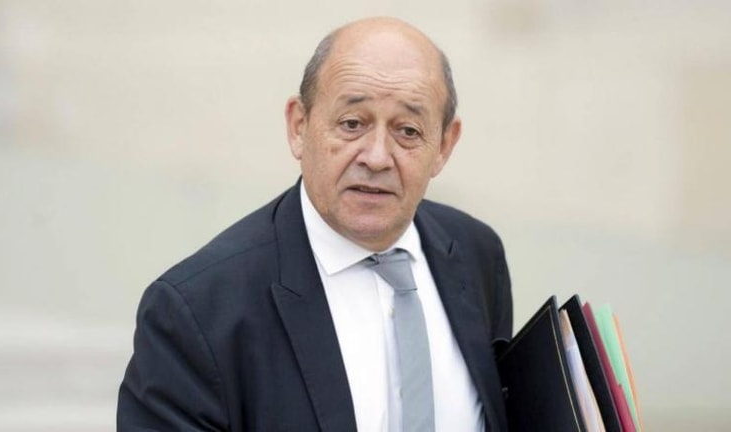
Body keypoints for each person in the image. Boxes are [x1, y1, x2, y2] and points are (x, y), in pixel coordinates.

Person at [117, 17, 512, 432]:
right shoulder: (195, 312)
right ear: (299, 127)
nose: (377, 157)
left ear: (444, 146)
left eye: (408, 131)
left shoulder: (476, 254)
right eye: (352, 124)